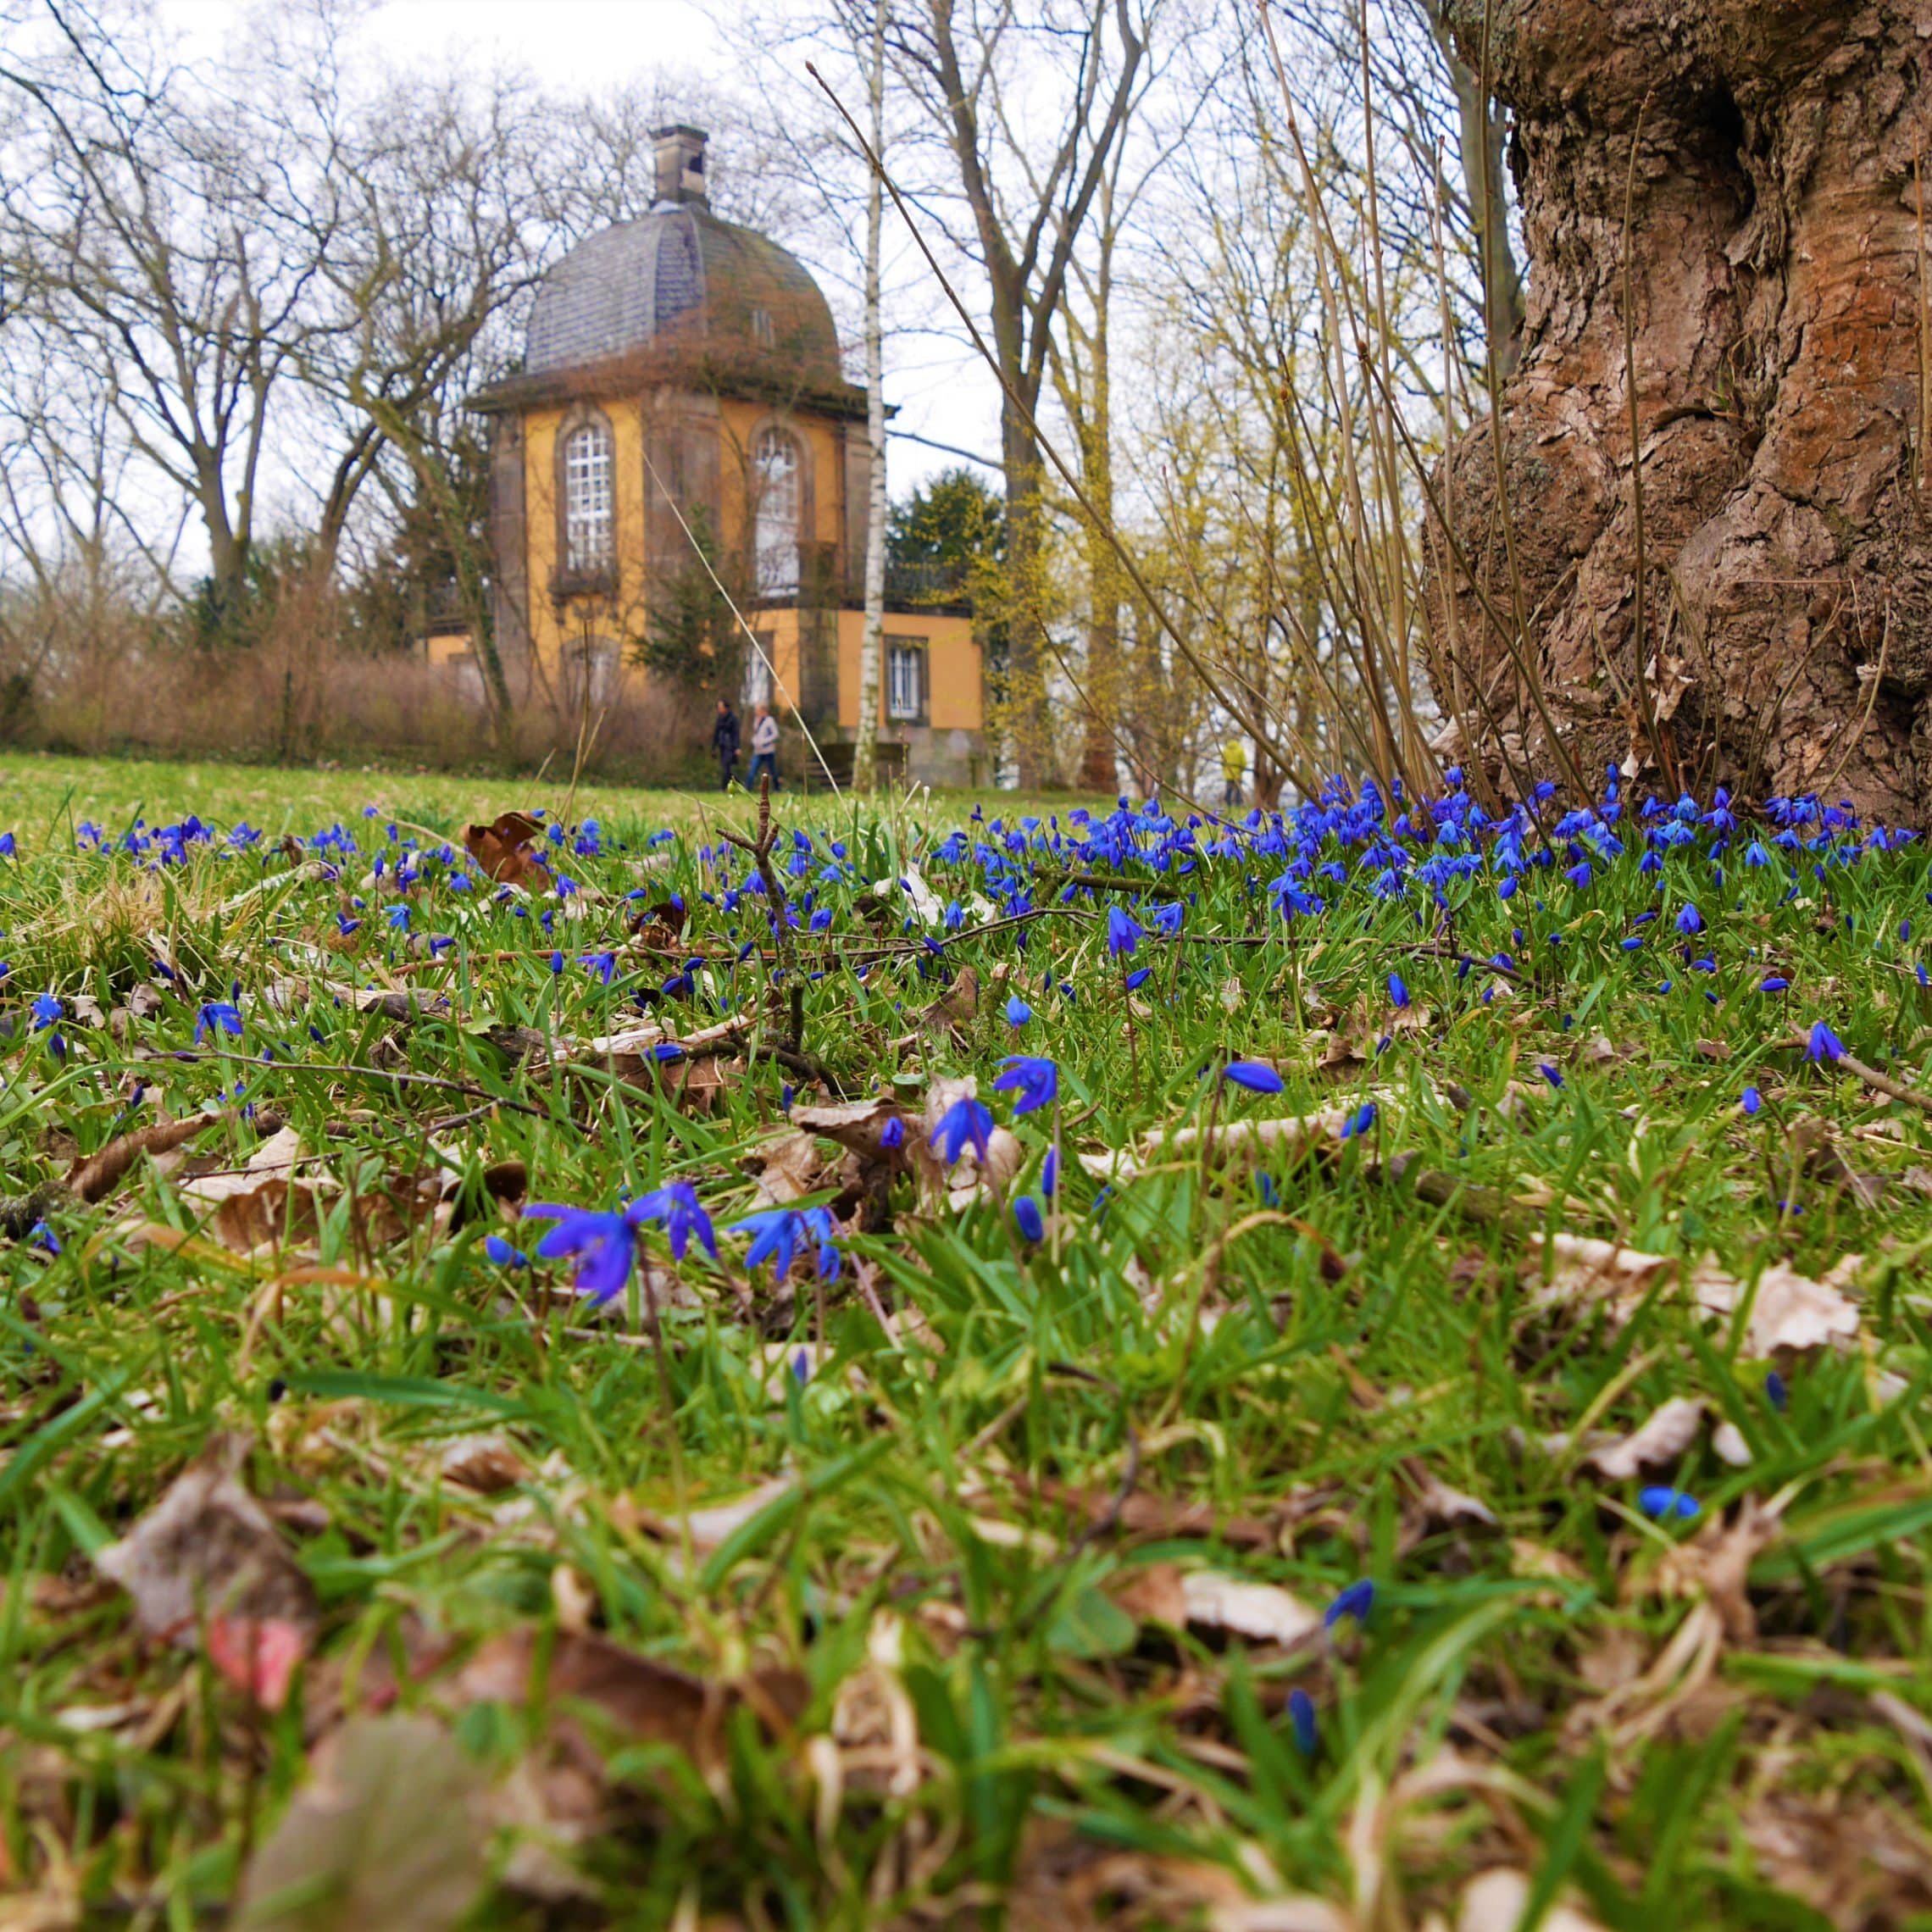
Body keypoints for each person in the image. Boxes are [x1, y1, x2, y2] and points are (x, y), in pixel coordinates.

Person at [748, 702, 780, 791]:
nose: (755, 712)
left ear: (763, 710)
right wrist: (754, 740)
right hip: (758, 751)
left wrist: (765, 742)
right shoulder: (756, 720)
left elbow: (775, 734)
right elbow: (757, 733)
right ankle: (747, 788)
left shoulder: (769, 720)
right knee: (752, 770)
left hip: (768, 751)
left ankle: (777, 789)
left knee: (773, 771)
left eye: (757, 710)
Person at [712, 697, 741, 791]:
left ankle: (724, 787)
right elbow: (716, 733)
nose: (719, 709)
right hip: (722, 746)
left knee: (726, 767)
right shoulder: (719, 719)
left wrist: (737, 747)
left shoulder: (733, 719)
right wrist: (713, 747)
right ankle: (737, 783)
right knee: (727, 768)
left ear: (726, 707)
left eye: (721, 707)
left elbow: (736, 734)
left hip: (731, 747)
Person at [1220, 736, 1246, 809]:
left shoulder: (1225, 750)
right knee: (1238, 791)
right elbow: (1244, 763)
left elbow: (1222, 762)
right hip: (1237, 774)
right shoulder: (1240, 749)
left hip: (1228, 774)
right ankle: (1238, 805)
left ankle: (1228, 805)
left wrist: (1226, 770)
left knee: (1229, 790)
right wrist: (1241, 769)